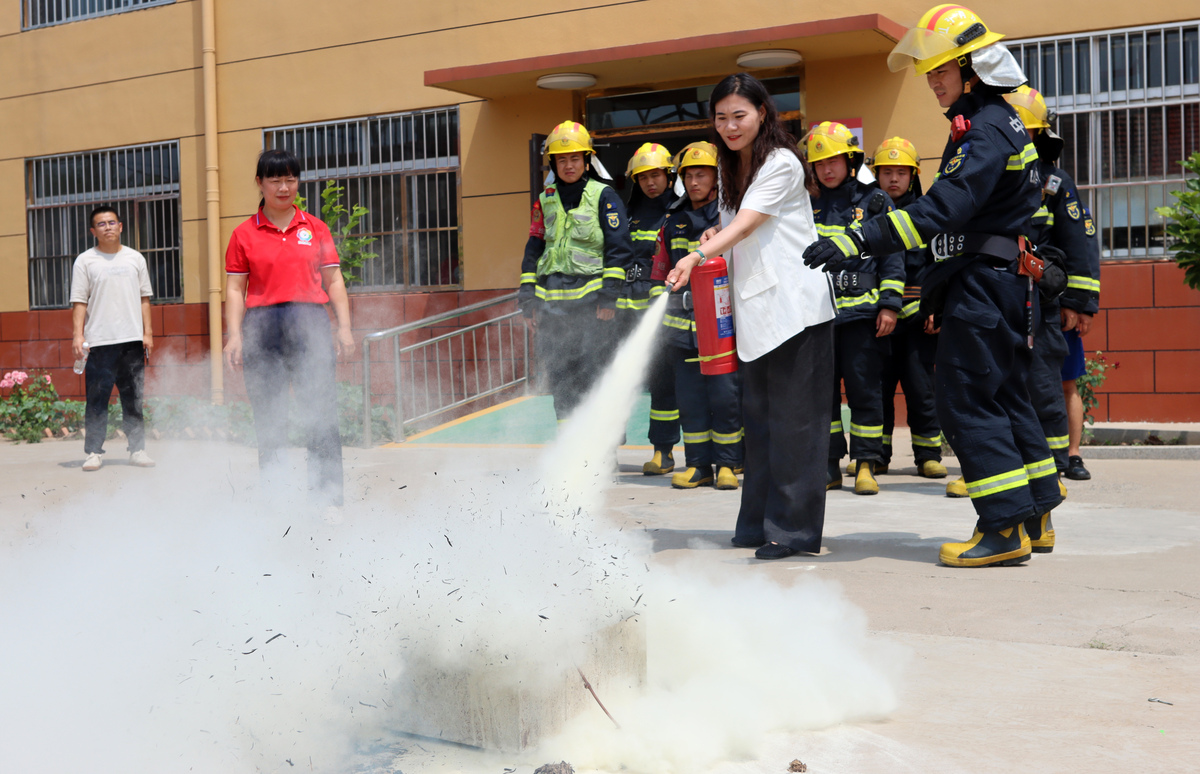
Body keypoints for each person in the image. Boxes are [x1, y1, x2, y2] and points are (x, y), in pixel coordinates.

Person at [804, 4, 1060, 567]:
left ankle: (1002, 528)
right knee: (1006, 394)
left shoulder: (983, 131)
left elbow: (940, 210)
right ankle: (1036, 511)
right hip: (1004, 281)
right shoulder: (1001, 120)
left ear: (972, 68)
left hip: (985, 284)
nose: (933, 82)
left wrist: (856, 240)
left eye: (941, 70)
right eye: (929, 73)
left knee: (966, 399)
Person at [667, 73, 836, 560]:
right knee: (759, 425)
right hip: (756, 314)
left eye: (739, 115)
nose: (730, 126)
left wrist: (697, 255)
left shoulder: (781, 162)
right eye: (721, 118)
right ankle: (757, 523)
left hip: (796, 312)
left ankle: (793, 531)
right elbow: (734, 233)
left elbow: (746, 224)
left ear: (762, 113)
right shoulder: (730, 168)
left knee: (796, 427)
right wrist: (710, 242)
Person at [223, 149, 354, 506]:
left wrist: (344, 328)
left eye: (290, 179)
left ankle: (328, 500)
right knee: (269, 417)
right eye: (275, 180)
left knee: (321, 413)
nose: (284, 187)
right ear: (260, 183)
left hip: (310, 322)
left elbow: (334, 281)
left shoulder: (315, 228)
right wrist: (235, 335)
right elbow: (235, 289)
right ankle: (276, 502)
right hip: (262, 328)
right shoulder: (243, 234)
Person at [1006, 84, 1100, 501]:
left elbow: (1079, 242)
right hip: (1002, 297)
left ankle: (1061, 461)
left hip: (1048, 301)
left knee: (1054, 383)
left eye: (1023, 129)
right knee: (1005, 381)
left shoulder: (1055, 182)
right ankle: (1017, 463)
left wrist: (1078, 303)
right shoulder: (996, 176)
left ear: (1038, 133)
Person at [806, 121, 905, 495]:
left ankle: (865, 464)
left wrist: (890, 305)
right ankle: (829, 465)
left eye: (833, 161)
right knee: (822, 395)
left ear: (850, 161)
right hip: (817, 317)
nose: (826, 169)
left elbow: (893, 257)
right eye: (819, 164)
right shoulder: (805, 205)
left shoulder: (875, 201)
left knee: (865, 391)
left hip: (863, 317)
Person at [518, 121, 635, 424]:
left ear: (586, 160)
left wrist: (609, 297)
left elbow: (619, 248)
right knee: (560, 380)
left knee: (595, 377)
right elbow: (533, 251)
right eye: (561, 159)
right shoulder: (544, 200)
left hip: (593, 308)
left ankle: (601, 446)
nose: (568, 165)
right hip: (553, 310)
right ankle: (568, 445)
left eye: (574, 158)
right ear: (553, 164)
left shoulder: (604, 196)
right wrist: (528, 301)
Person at [650, 141, 744, 490]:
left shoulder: (730, 217)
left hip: (720, 327)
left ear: (717, 178)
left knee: (725, 397)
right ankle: (698, 465)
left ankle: (729, 464)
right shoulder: (672, 221)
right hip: (681, 330)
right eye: (688, 175)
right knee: (690, 401)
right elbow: (660, 272)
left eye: (701, 175)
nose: (693, 182)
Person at [869, 137, 948, 481]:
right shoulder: (867, 212)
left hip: (918, 320)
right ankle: (878, 455)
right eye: (887, 172)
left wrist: (935, 306)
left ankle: (928, 455)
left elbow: (939, 265)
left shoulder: (928, 213)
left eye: (901, 172)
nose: (893, 179)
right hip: (877, 319)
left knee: (921, 389)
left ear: (914, 175)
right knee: (878, 389)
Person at [70, 205, 155, 472]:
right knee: (97, 400)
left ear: (120, 226)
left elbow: (144, 299)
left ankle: (137, 450)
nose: (107, 227)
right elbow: (79, 301)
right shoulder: (85, 261)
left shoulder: (135, 259)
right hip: (99, 342)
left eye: (111, 222)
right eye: (101, 224)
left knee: (133, 398)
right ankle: (94, 452)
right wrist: (77, 335)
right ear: (93, 231)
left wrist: (148, 333)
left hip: (132, 341)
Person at [619, 142, 681, 475]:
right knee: (617, 377)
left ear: (668, 176)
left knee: (662, 382)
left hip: (660, 312)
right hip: (623, 311)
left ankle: (663, 450)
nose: (650, 183)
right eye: (643, 177)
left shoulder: (677, 212)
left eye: (655, 175)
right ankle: (605, 447)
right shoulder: (627, 213)